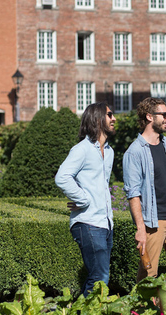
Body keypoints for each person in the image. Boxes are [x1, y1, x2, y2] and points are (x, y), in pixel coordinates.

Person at [123, 97, 166, 282]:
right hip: (154, 222)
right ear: (150, 116)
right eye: (164, 115)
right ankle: (143, 311)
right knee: (148, 276)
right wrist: (140, 228)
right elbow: (133, 194)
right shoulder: (134, 152)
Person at [55, 102, 116, 297]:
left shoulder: (110, 151)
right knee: (100, 277)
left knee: (99, 277)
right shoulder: (81, 150)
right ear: (97, 120)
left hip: (105, 223)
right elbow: (62, 177)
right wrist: (83, 200)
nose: (114, 118)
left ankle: (81, 312)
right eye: (109, 115)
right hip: (87, 222)